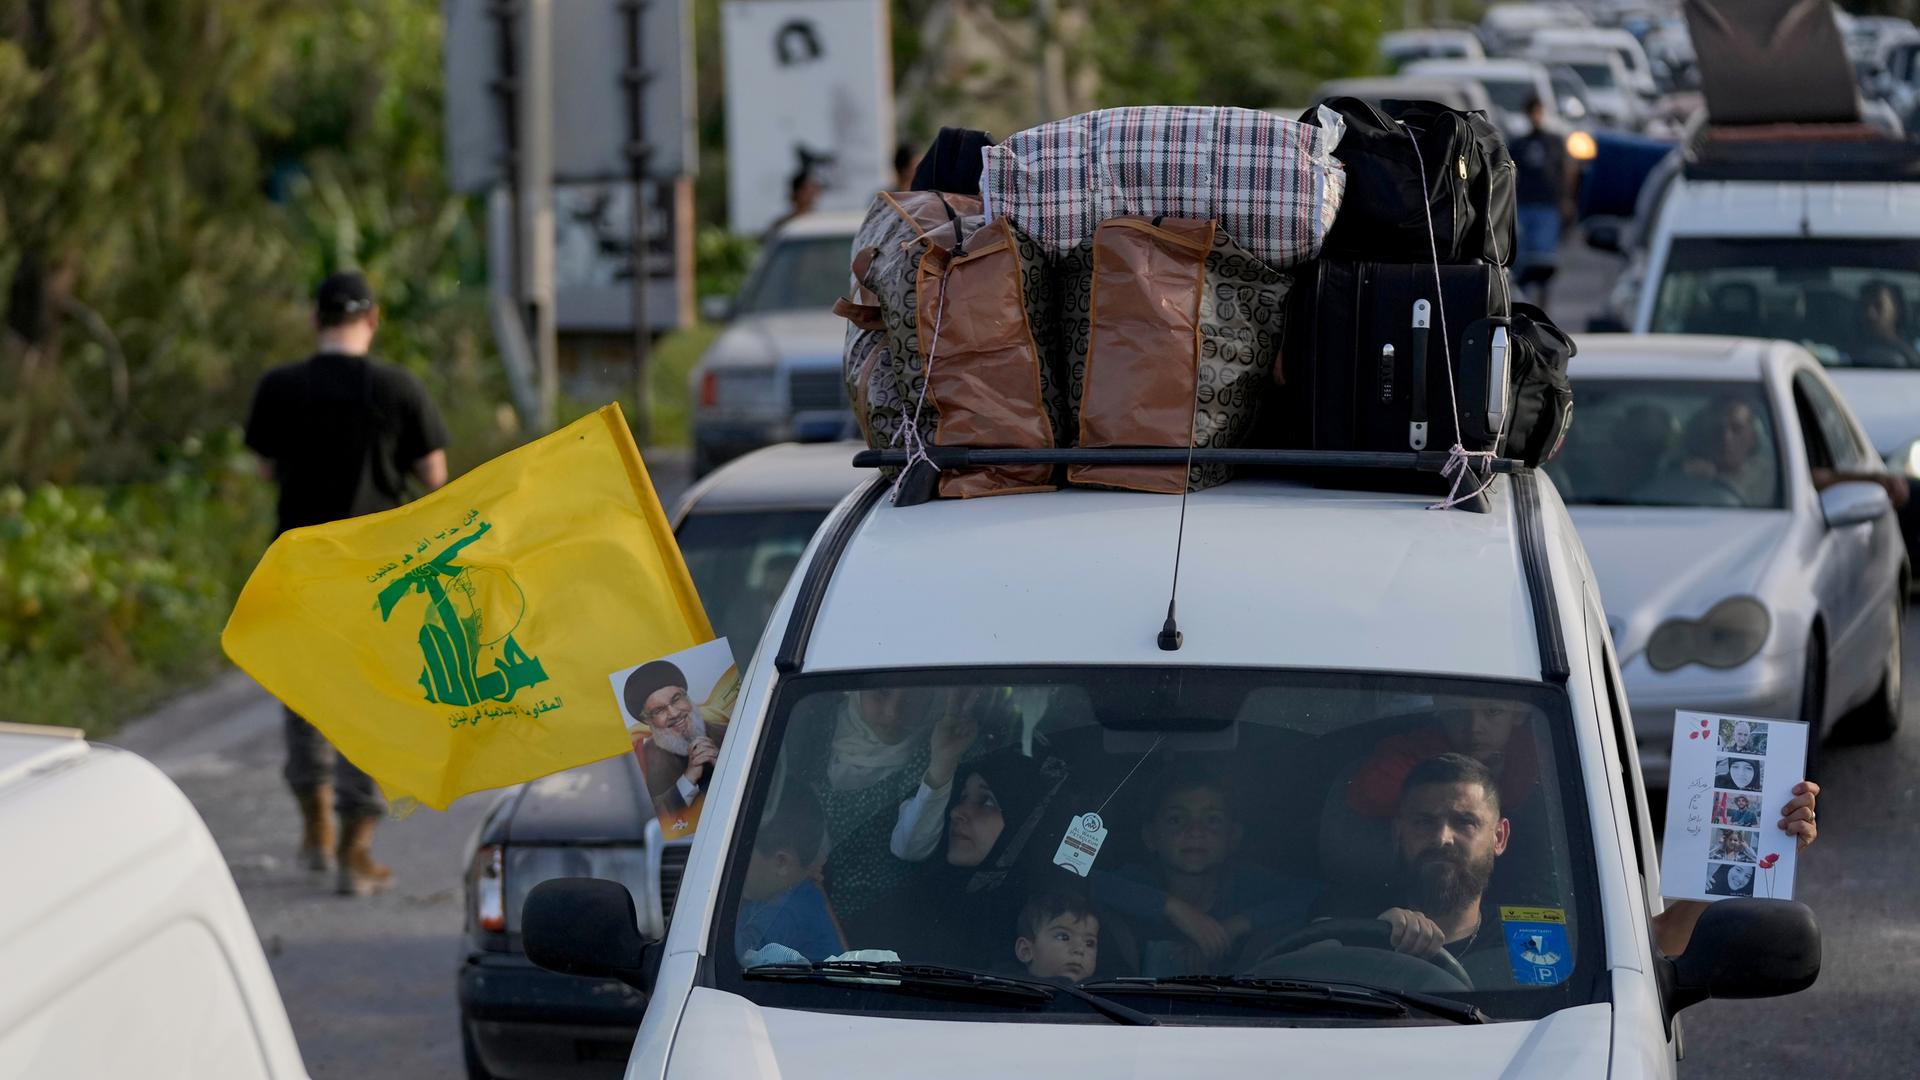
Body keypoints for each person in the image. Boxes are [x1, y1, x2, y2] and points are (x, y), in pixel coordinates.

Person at [245, 270, 449, 897]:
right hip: (377, 574)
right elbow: (438, 480)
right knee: (368, 701)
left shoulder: (280, 387)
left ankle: (317, 828)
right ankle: (358, 851)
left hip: (301, 567)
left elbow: (263, 469)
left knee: (306, 696)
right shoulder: (399, 389)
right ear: (374, 319)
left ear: (316, 320)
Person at [1336, 755, 1819, 964]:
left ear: (1500, 837)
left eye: (1465, 822)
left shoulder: (1554, 936)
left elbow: (1658, 946)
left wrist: (1758, 847)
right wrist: (1377, 945)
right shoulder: (1340, 925)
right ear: (1398, 833)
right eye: (1423, 822)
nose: (1442, 838)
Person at [1090, 771, 1322, 975]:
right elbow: (1084, 882)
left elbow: (1316, 895)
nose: (1195, 831)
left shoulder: (1247, 883)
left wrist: (1237, 925)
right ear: (1150, 836)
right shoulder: (1136, 883)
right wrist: (1173, 908)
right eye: (1176, 819)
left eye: (1213, 820)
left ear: (1233, 837)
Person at [858, 748, 1075, 966]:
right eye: (962, 797)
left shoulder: (1040, 930)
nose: (957, 812)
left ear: (1020, 820)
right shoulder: (913, 897)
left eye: (987, 802)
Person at [1348, 698, 1539, 818]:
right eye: (1458, 712)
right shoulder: (1418, 750)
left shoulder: (1544, 754)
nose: (1474, 727)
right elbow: (1369, 793)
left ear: (1519, 713)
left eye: (1493, 711)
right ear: (1441, 709)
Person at [623, 660, 735, 835]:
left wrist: (725, 764)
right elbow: (658, 821)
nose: (674, 713)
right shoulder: (645, 763)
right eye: (659, 710)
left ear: (687, 697)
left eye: (676, 699)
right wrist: (688, 778)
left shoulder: (729, 731)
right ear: (648, 721)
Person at [737, 787, 846, 964]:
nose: (733, 861)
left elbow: (735, 954)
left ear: (782, 862)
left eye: (741, 854)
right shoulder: (797, 890)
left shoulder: (786, 912)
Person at [1510, 97, 1573, 305]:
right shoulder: (1518, 144)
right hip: (1524, 204)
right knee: (1523, 259)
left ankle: (1543, 302)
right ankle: (1523, 302)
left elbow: (1566, 170)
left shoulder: (1554, 141)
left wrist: (1566, 199)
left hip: (1548, 204)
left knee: (1545, 258)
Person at [1678, 397, 1774, 506]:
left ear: (1753, 436)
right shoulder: (1683, 473)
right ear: (1705, 435)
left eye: (1737, 429)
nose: (1726, 438)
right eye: (1717, 429)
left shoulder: (1771, 478)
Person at [1014, 887, 1100, 983]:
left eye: (1089, 943)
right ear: (1025, 951)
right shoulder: (1006, 992)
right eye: (1063, 937)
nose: (1079, 950)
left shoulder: (1103, 994)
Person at [1849, 280, 1920, 369]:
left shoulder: (1916, 349)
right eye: (1865, 306)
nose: (1870, 314)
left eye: (1878, 306)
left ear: (1897, 310)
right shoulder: (1840, 355)